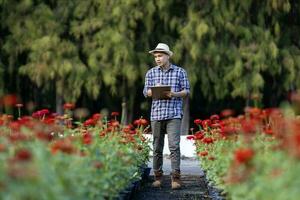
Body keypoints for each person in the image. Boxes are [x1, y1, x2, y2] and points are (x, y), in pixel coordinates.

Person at [143, 43, 190, 189]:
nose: (157, 58)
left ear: (168, 56)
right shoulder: (150, 73)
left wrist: (174, 94)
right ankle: (158, 177)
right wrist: (153, 91)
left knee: (174, 146)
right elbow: (145, 92)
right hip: (156, 114)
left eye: (160, 56)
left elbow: (186, 91)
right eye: (156, 56)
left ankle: (176, 179)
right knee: (157, 146)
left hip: (173, 114)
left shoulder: (180, 72)